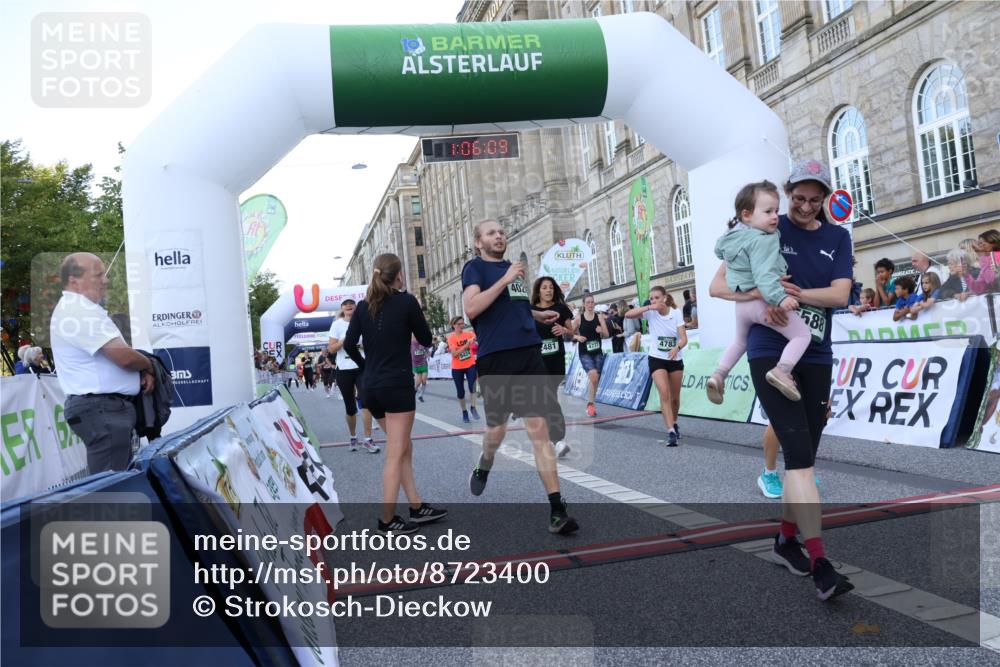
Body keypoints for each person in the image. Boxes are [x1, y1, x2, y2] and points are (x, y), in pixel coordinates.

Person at [709, 159, 854, 600]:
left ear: (825, 199)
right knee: (800, 458)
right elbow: (717, 286)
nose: (805, 207)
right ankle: (821, 564)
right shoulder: (769, 223)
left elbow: (840, 294)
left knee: (804, 456)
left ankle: (786, 540)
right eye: (799, 198)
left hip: (817, 352)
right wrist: (759, 293)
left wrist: (794, 294)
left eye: (815, 200)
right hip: (770, 349)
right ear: (788, 194)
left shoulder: (837, 237)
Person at [464, 220, 579, 535]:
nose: (499, 236)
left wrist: (537, 314)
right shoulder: (475, 269)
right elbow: (472, 308)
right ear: (478, 242)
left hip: (528, 353)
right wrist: (504, 279)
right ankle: (485, 463)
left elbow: (514, 307)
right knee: (497, 431)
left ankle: (557, 510)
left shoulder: (511, 269)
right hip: (496, 358)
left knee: (539, 430)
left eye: (501, 232)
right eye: (491, 233)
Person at [344, 254, 445, 534]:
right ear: (399, 275)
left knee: (403, 447)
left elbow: (350, 344)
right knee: (395, 452)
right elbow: (426, 339)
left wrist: (366, 366)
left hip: (371, 387)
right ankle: (386, 519)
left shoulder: (363, 306)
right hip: (396, 385)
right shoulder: (407, 301)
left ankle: (416, 506)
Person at [705, 180, 811, 405]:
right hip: (763, 302)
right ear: (747, 215)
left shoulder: (732, 239)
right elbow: (764, 276)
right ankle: (782, 370)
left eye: (776, 211)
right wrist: (781, 298)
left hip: (742, 305)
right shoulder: (764, 240)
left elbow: (719, 252)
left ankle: (719, 375)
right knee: (802, 335)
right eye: (768, 211)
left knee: (739, 342)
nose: (775, 217)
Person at [49, 252, 155, 474]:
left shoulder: (79, 309)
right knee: (111, 487)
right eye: (98, 275)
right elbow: (124, 357)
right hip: (102, 409)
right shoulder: (78, 311)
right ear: (74, 281)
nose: (105, 280)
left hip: (104, 409)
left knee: (115, 482)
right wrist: (149, 364)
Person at [625, 287, 687, 446]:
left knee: (675, 398)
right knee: (664, 394)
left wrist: (677, 348)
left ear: (665, 298)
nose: (654, 301)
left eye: (657, 298)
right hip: (656, 359)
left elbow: (684, 338)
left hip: (674, 358)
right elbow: (627, 314)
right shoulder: (650, 312)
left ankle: (674, 422)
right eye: (651, 298)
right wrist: (648, 307)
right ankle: (671, 431)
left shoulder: (675, 313)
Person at [531, 276, 576, 459]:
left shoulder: (561, 309)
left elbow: (572, 332)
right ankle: (557, 440)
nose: (548, 290)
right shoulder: (531, 311)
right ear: (538, 291)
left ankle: (550, 439)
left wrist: (564, 331)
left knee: (549, 397)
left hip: (556, 360)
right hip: (537, 361)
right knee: (548, 396)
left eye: (551, 287)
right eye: (544, 287)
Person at [328, 299, 378, 453]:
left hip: (361, 367)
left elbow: (374, 343)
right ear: (342, 308)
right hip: (344, 369)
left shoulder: (364, 322)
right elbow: (331, 349)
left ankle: (368, 439)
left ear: (356, 307)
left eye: (351, 304)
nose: (349, 306)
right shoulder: (337, 325)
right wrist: (346, 340)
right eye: (345, 304)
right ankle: (353, 437)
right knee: (350, 408)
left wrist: (360, 344)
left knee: (366, 401)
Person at [572, 293, 610, 417]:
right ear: (584, 304)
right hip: (584, 352)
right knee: (593, 376)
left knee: (595, 379)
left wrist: (601, 331)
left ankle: (591, 404)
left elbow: (607, 334)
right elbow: (567, 333)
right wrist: (577, 337)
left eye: (592, 302)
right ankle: (590, 404)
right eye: (588, 302)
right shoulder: (579, 318)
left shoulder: (599, 317)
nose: (590, 304)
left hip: (597, 351)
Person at [447, 316, 479, 423]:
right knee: (460, 392)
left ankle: (473, 407)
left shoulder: (469, 334)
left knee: (472, 386)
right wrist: (466, 345)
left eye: (462, 323)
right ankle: (464, 412)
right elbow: (454, 354)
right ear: (454, 325)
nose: (462, 325)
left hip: (470, 364)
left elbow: (477, 337)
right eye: (459, 324)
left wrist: (475, 340)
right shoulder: (451, 338)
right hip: (457, 367)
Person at [966, 229, 1000, 295]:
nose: (979, 246)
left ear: (993, 243)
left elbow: (991, 279)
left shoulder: (993, 258)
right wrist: (966, 275)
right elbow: (979, 289)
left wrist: (982, 255)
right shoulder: (986, 260)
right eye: (979, 244)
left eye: (981, 243)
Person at [411, 335, 429, 402]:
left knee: (424, 380)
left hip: (423, 363)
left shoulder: (423, 341)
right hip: (415, 365)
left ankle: (421, 396)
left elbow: (427, 350)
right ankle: (414, 392)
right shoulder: (410, 343)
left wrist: (427, 353)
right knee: (418, 382)